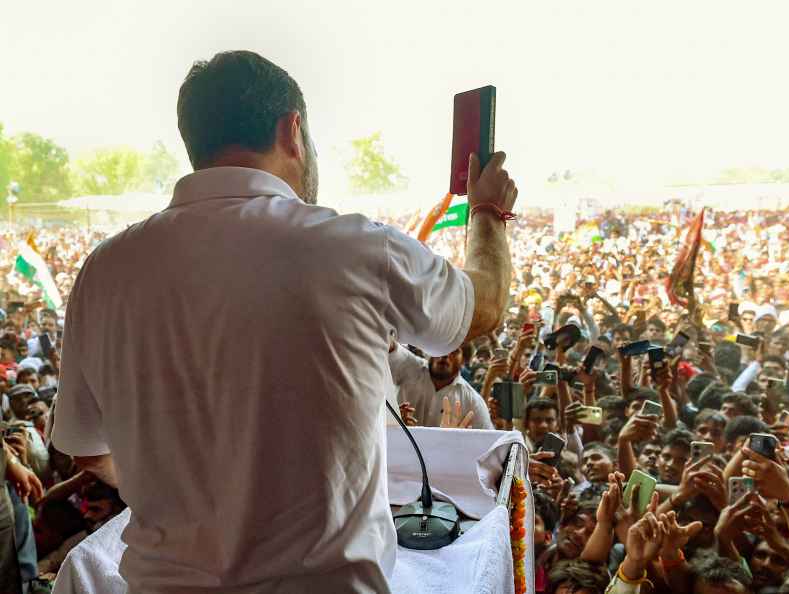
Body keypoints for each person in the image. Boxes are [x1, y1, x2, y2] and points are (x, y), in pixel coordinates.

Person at [50, 50, 518, 594]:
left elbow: (86, 445)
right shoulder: (352, 246)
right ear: (292, 129)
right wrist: (488, 212)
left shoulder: (106, 269)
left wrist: (192, 508)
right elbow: (480, 308)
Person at [389, 344, 493, 429]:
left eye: (454, 351)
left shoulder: (472, 402)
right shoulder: (409, 366)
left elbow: (489, 444)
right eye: (439, 348)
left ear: (463, 361)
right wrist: (391, 420)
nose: (445, 355)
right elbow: (388, 345)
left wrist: (459, 441)